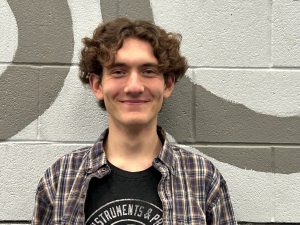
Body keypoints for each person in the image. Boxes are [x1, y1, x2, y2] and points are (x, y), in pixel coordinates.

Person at [32, 18, 236, 225]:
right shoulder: (60, 179)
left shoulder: (203, 179)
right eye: (118, 72)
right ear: (97, 85)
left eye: (148, 71)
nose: (134, 87)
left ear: (168, 84)